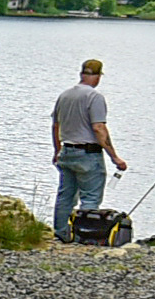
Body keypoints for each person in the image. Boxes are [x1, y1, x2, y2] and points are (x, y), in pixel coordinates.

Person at [50, 58, 128, 243]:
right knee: (90, 197)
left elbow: (55, 126)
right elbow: (98, 128)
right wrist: (115, 157)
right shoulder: (95, 97)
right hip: (88, 154)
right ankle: (84, 236)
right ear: (98, 76)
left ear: (82, 74)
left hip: (67, 151)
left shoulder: (65, 95)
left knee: (65, 196)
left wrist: (57, 150)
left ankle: (60, 235)